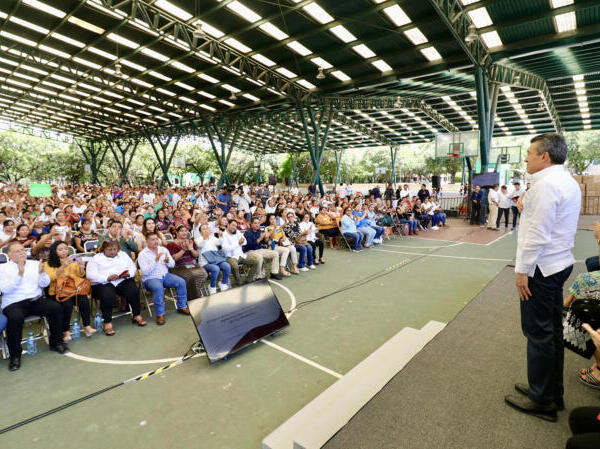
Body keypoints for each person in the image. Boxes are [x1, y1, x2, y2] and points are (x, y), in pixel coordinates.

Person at [505, 133, 581, 422]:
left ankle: (543, 400)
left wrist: (521, 271)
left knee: (538, 334)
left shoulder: (546, 186)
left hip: (541, 268)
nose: (526, 158)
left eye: (529, 153)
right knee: (551, 332)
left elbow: (536, 235)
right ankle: (550, 390)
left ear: (544, 156)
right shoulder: (563, 181)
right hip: (558, 262)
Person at [0, 242, 67, 371]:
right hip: (14, 302)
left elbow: (45, 283)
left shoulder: (35, 264)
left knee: (56, 308)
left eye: (23, 250)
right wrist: (19, 274)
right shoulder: (2, 269)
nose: (21, 253)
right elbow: (5, 290)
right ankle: (15, 356)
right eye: (17, 251)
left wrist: (42, 273)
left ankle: (56, 343)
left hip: (35, 299)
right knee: (15, 318)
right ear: (9, 255)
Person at [86, 239, 146, 335]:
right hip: (103, 283)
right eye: (109, 250)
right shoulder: (96, 258)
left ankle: (136, 315)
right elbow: (90, 275)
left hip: (121, 280)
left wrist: (128, 274)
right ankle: (107, 322)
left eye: (115, 249)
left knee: (133, 290)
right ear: (103, 249)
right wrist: (106, 278)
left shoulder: (122, 255)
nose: (113, 252)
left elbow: (132, 267)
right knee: (108, 295)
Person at [44, 241, 94, 341]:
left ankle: (86, 325)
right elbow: (49, 279)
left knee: (83, 299)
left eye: (66, 248)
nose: (64, 251)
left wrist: (81, 268)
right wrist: (63, 266)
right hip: (57, 291)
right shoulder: (48, 264)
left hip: (73, 290)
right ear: (54, 251)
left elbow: (79, 276)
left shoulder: (73, 261)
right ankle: (65, 330)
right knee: (67, 304)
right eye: (60, 249)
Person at [138, 233, 189, 325]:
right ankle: (160, 314)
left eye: (156, 239)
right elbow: (145, 272)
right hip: (151, 278)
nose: (156, 241)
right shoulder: (142, 254)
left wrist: (168, 261)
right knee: (158, 288)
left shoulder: (163, 249)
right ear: (147, 241)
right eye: (153, 240)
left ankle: (182, 306)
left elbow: (172, 264)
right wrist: (156, 260)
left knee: (181, 282)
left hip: (165, 275)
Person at [166, 225, 208, 301]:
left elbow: (196, 255)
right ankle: (193, 298)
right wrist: (184, 249)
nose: (184, 232)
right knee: (190, 276)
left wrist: (191, 249)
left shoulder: (191, 242)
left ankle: (195, 294)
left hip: (192, 264)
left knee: (203, 273)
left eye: (185, 231)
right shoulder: (171, 244)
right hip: (178, 267)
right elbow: (174, 258)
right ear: (177, 233)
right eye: (182, 231)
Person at [196, 224, 231, 295]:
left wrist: (220, 236)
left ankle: (223, 283)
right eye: (204, 229)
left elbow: (220, 243)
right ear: (200, 232)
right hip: (205, 263)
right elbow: (200, 245)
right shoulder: (197, 239)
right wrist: (205, 237)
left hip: (216, 260)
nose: (206, 230)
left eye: (207, 228)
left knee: (227, 266)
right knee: (216, 268)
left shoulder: (212, 238)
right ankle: (212, 286)